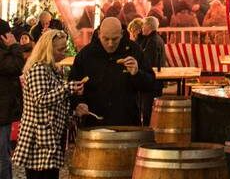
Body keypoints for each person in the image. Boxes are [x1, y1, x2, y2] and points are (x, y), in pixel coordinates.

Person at [12, 30, 86, 179]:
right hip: (38, 137)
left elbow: (55, 100)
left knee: (50, 174)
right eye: (60, 49)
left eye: (65, 48)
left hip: (48, 134)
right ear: (48, 49)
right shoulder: (39, 68)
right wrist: (68, 88)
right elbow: (40, 99)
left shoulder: (51, 69)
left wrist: (72, 111)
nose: (64, 53)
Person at [69, 16, 157, 128]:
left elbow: (151, 84)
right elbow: (72, 86)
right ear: (99, 34)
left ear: (121, 33)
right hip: (94, 124)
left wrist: (137, 73)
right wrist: (78, 103)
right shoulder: (86, 55)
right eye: (106, 39)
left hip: (127, 123)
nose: (110, 44)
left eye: (115, 39)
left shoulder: (134, 50)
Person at [0, 21, 24, 179]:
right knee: (2, 155)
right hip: (1, 112)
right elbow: (14, 67)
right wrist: (15, 46)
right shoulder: (3, 53)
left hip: (3, 110)